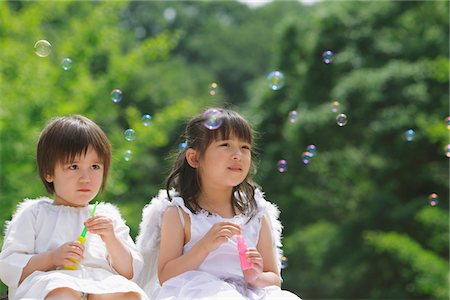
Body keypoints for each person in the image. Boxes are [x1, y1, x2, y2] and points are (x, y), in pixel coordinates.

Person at [136, 108, 300, 299]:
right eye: (225, 145)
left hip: (251, 293)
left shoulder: (255, 213)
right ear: (194, 158)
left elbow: (274, 278)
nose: (237, 154)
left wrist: (256, 277)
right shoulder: (179, 213)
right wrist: (204, 245)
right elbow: (166, 275)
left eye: (245, 147)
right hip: (198, 293)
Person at [0, 115, 148, 300]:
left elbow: (131, 272)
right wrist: (52, 258)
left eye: (95, 166)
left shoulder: (107, 216)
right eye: (73, 166)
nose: (85, 177)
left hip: (100, 283)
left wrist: (111, 239)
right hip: (51, 282)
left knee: (125, 293)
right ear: (48, 172)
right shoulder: (33, 213)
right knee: (62, 293)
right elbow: (9, 267)